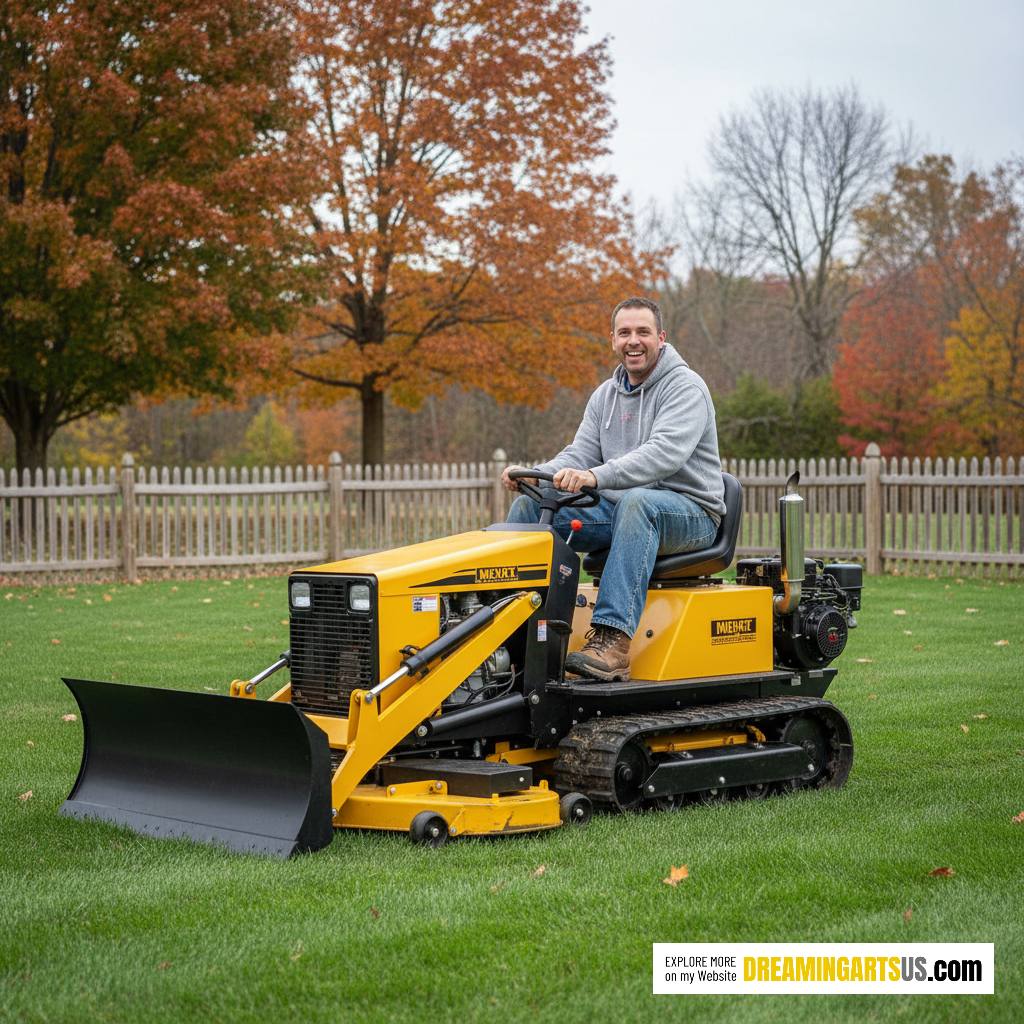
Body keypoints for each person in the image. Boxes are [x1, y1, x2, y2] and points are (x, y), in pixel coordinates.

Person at [502, 296, 725, 681]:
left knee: (638, 503)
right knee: (529, 510)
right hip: (623, 511)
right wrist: (536, 475)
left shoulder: (685, 388)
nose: (633, 341)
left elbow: (663, 455)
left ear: (661, 338)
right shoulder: (605, 395)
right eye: (624, 333)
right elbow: (579, 453)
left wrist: (596, 476)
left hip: (691, 513)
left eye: (643, 332)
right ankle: (518, 637)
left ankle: (612, 641)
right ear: (612, 340)